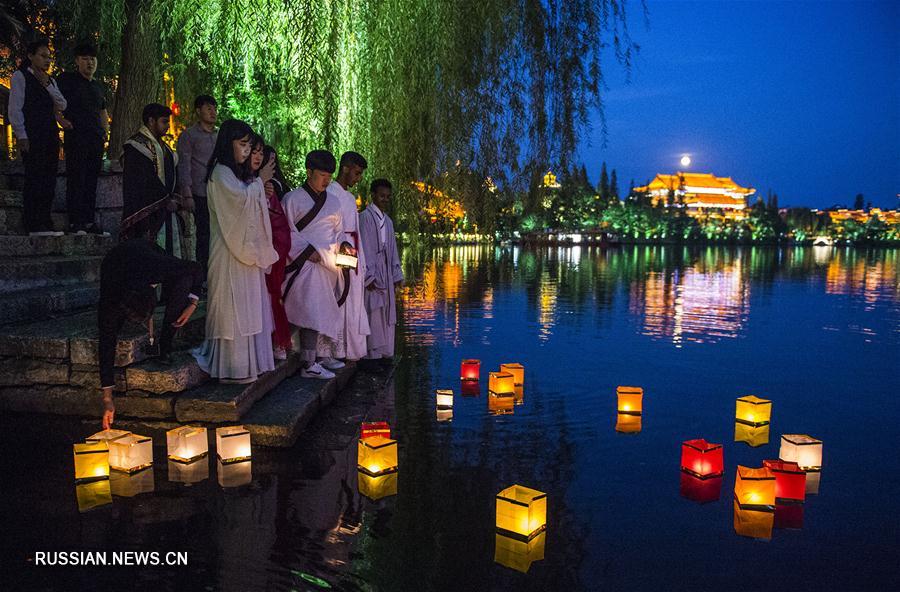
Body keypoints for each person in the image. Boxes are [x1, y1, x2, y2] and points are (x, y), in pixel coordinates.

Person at [192, 119, 279, 383]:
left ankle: (249, 364)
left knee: (248, 305)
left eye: (249, 146)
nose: (246, 151)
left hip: (244, 251)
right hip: (229, 251)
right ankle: (233, 367)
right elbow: (238, 205)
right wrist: (258, 183)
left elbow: (248, 200)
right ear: (228, 144)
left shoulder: (237, 175)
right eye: (242, 145)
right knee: (233, 308)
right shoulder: (220, 173)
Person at [98, 238, 203, 429]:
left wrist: (192, 303)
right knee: (108, 325)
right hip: (117, 263)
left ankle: (165, 344)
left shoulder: (159, 267)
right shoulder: (110, 299)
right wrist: (107, 399)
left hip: (146, 253)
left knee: (184, 279)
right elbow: (106, 343)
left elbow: (196, 268)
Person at [281, 150, 343, 379]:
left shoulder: (334, 203)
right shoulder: (292, 199)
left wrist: (344, 249)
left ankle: (309, 358)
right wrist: (307, 251)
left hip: (327, 264)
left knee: (313, 311)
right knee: (305, 308)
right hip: (302, 263)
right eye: (322, 175)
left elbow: (338, 234)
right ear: (309, 172)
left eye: (329, 176)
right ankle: (304, 360)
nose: (326, 180)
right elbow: (285, 231)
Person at [8, 39, 68, 236]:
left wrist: (48, 86)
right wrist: (21, 135)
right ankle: (33, 222)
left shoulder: (50, 81)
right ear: (31, 56)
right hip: (33, 132)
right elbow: (15, 107)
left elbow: (62, 104)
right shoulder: (20, 76)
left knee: (49, 177)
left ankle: (45, 219)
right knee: (35, 177)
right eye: (42, 56)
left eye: (49, 57)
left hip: (49, 133)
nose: (47, 60)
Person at [317, 151, 371, 366]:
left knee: (352, 298)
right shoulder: (330, 192)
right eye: (357, 173)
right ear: (346, 168)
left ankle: (348, 349)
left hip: (351, 248)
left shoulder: (348, 196)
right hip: (338, 249)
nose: (358, 179)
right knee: (338, 297)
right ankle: (328, 350)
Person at [57, 42, 109, 235]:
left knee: (91, 181)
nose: (90, 63)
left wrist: (105, 132)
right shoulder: (67, 80)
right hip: (76, 136)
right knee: (76, 178)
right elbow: (54, 100)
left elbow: (103, 110)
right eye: (85, 59)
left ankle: (88, 221)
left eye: (92, 59)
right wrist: (61, 120)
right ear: (77, 61)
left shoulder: (97, 86)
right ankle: (75, 221)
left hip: (95, 138)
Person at [120, 103, 181, 253]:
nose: (167, 126)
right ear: (151, 121)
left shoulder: (166, 149)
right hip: (146, 213)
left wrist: (176, 199)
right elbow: (141, 180)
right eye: (164, 121)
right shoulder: (136, 146)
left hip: (166, 211)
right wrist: (164, 200)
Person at [359, 179, 403, 362]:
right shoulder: (365, 217)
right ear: (373, 195)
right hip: (373, 270)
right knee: (373, 311)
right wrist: (368, 277)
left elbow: (393, 251)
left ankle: (385, 352)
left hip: (385, 268)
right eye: (381, 196)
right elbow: (364, 247)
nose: (385, 199)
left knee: (386, 313)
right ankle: (371, 354)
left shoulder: (388, 222)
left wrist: (396, 275)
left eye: (387, 197)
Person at [176, 94, 218, 269]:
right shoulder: (189, 135)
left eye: (215, 108)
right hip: (200, 192)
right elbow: (184, 165)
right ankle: (202, 275)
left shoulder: (220, 135)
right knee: (203, 234)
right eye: (208, 108)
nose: (213, 112)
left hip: (220, 192)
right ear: (198, 111)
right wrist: (186, 193)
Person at [260, 145, 293, 360]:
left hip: (275, 244)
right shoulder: (255, 184)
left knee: (274, 292)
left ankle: (277, 340)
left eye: (274, 160)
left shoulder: (277, 186)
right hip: (259, 244)